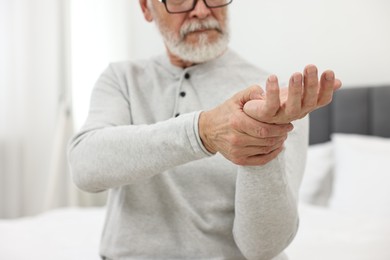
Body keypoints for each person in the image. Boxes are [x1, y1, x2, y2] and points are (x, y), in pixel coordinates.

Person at [68, 0, 342, 259]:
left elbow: (262, 248)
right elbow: (85, 168)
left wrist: (264, 138)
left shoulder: (278, 99)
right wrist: (202, 131)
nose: (201, 10)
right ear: (146, 8)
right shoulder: (122, 79)